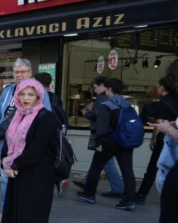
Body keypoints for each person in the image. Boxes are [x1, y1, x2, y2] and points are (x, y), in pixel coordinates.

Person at [0, 78, 58, 223]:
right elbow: (9, 142)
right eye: (22, 94)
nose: (25, 99)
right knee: (18, 215)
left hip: (38, 175)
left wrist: (14, 165)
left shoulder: (45, 117)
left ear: (39, 96)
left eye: (30, 94)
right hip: (19, 172)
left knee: (34, 218)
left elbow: (38, 149)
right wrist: (7, 164)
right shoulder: (18, 116)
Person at [0, 58, 51, 223]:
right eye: (16, 72)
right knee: (5, 178)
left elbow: (46, 115)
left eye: (23, 72)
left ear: (30, 73)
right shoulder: (8, 91)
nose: (19, 75)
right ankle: (6, 213)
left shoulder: (38, 91)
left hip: (27, 143)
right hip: (6, 142)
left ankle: (24, 214)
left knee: (26, 179)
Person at [76, 78, 139, 210]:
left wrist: (99, 141)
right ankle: (129, 200)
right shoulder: (126, 103)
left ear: (109, 88)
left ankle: (89, 194)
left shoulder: (107, 104)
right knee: (127, 170)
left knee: (96, 167)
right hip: (125, 140)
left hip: (109, 140)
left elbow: (102, 125)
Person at [74, 76, 125, 198]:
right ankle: (88, 183)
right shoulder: (118, 100)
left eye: (96, 87)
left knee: (105, 162)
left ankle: (116, 189)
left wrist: (87, 114)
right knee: (101, 161)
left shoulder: (101, 98)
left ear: (104, 86)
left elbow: (99, 117)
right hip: (115, 134)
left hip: (104, 135)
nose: (94, 90)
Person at [137, 78, 178, 205]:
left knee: (153, 168)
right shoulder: (176, 101)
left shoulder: (162, 103)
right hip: (175, 140)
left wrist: (153, 139)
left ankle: (141, 194)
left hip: (165, 139)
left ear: (161, 88)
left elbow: (158, 124)